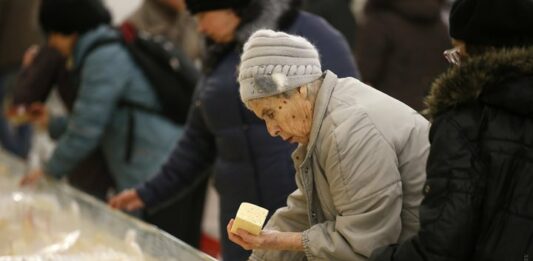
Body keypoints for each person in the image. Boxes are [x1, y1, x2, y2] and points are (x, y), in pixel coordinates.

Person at [108, 0, 360, 259]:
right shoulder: (219, 55)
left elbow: (348, 117)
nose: (200, 27)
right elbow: (197, 141)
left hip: (298, 212)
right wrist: (147, 193)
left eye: (203, 14)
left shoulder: (310, 33)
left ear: (232, 7)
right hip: (240, 216)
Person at [227, 29, 429, 260]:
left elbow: (365, 247)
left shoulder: (348, 131)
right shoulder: (327, 115)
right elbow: (304, 211)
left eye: (271, 113)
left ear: (300, 89)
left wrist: (277, 240)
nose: (271, 130)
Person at [369, 0, 533, 260]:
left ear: (482, 52)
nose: (454, 63)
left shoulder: (465, 122)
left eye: (457, 53)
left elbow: (442, 244)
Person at [20, 0, 182, 201]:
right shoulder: (101, 48)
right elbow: (93, 118)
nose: (52, 44)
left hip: (154, 164)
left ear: (67, 29)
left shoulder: (103, 56)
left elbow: (86, 130)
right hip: (145, 162)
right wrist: (52, 123)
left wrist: (48, 171)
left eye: (53, 35)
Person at [356, 0, 450, 111]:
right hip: (433, 112)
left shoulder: (379, 22)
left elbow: (363, 73)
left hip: (391, 113)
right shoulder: (438, 23)